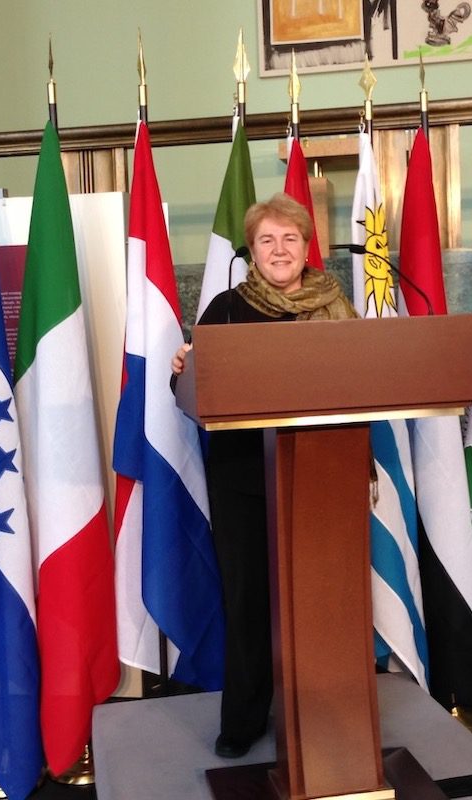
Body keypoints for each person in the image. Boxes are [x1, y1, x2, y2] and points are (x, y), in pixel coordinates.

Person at [171, 192, 357, 759]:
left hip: (323, 473)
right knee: (249, 599)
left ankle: (325, 717)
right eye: (267, 240)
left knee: (323, 600)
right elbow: (190, 391)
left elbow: (367, 381)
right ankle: (245, 721)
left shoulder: (338, 306)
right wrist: (185, 368)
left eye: (290, 239)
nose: (279, 249)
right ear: (252, 251)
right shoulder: (227, 309)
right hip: (244, 478)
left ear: (307, 247)